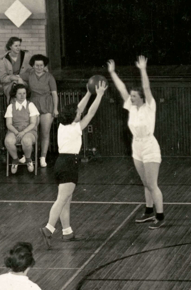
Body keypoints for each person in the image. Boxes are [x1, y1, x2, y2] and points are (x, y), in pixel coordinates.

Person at [43, 80, 107, 241]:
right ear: (74, 117)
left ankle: (67, 231)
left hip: (59, 164)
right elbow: (91, 112)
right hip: (69, 164)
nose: (81, 114)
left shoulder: (63, 126)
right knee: (62, 199)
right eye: (78, 114)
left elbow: (79, 108)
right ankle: (48, 228)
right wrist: (98, 96)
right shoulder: (75, 128)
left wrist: (88, 93)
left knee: (65, 199)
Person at [108, 56, 166, 228]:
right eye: (131, 96)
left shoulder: (150, 106)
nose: (130, 98)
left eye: (134, 96)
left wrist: (142, 69)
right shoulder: (131, 107)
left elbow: (146, 87)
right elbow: (121, 89)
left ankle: (160, 216)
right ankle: (148, 212)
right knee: (145, 183)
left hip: (149, 146)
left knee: (152, 184)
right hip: (137, 146)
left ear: (141, 97)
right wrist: (112, 72)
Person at [26, 54, 58, 168]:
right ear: (33, 66)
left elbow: (54, 94)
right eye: (37, 65)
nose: (39, 67)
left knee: (45, 133)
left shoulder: (49, 77)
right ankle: (30, 156)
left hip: (47, 104)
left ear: (44, 66)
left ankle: (43, 157)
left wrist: (55, 108)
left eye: (41, 65)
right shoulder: (29, 75)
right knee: (33, 132)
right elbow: (18, 79)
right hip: (33, 104)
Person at [4, 84, 40, 174]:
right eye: (19, 93)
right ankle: (15, 159)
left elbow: (33, 123)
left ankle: (28, 159)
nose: (22, 96)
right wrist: (17, 132)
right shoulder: (10, 107)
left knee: (27, 141)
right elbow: (8, 124)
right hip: (14, 130)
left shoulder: (30, 105)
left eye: (24, 93)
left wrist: (23, 132)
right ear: (15, 94)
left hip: (29, 131)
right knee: (8, 141)